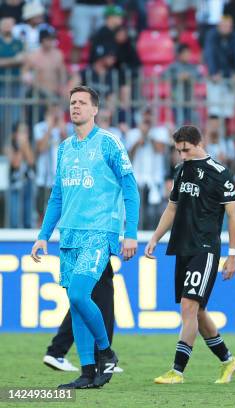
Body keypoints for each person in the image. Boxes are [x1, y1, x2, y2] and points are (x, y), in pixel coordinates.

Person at [30, 85, 139, 389]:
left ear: (95, 110)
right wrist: (43, 236)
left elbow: (131, 188)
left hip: (99, 232)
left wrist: (129, 234)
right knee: (77, 304)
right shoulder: (64, 148)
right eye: (72, 102)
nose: (75, 107)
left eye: (82, 103)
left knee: (79, 294)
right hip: (69, 235)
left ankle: (106, 352)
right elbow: (57, 196)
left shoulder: (109, 144)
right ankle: (87, 372)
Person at [146, 125, 235, 385]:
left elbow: (233, 215)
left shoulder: (220, 173)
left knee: (189, 306)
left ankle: (177, 371)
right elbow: (172, 208)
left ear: (199, 143)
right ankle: (228, 360)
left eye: (186, 150)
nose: (182, 155)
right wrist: (155, 237)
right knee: (196, 311)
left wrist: (232, 254)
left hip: (206, 249)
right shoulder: (180, 170)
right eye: (178, 151)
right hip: (183, 247)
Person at [43, 263, 120, 374]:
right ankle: (102, 358)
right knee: (99, 296)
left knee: (81, 299)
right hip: (94, 248)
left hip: (76, 249)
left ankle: (57, 350)